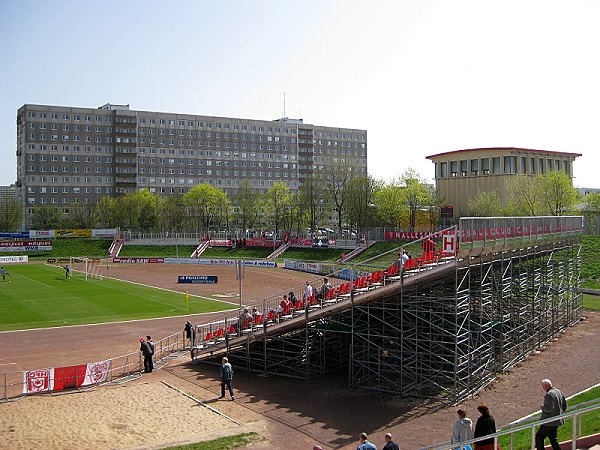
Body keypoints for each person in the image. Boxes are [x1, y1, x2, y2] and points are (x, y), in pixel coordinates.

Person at [535, 379, 567, 450]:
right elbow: (564, 405)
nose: (543, 388)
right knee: (553, 439)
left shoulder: (549, 395)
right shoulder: (559, 392)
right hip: (557, 421)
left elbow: (549, 409)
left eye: (543, 386)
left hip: (548, 422)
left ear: (546, 386)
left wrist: (543, 408)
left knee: (539, 437)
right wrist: (559, 414)